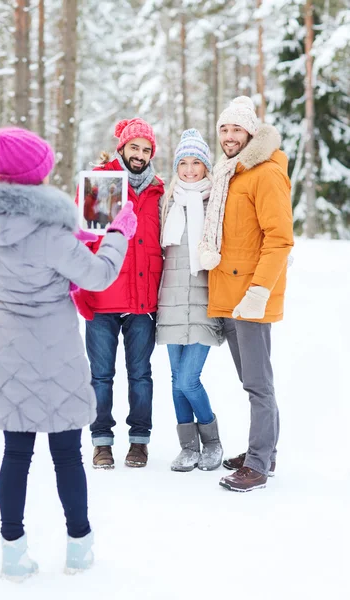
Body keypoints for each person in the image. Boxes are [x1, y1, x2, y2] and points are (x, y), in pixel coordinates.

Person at [0, 127, 137, 581]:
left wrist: (69, 245)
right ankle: (79, 547)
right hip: (55, 352)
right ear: (35, 174)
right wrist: (117, 231)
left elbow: (27, 262)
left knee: (15, 453)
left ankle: (12, 553)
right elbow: (98, 275)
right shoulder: (51, 232)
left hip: (7, 346)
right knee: (66, 453)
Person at [198, 96, 294, 492]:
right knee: (252, 380)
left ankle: (257, 463)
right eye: (224, 128)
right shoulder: (229, 173)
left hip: (250, 296)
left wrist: (258, 290)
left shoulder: (265, 173)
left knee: (258, 383)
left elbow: (280, 239)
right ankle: (264, 452)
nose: (229, 135)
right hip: (231, 293)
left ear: (251, 132)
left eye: (237, 128)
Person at [72, 118, 165, 469]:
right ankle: (101, 442)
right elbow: (84, 238)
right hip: (103, 295)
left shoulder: (158, 190)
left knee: (141, 375)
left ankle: (139, 442)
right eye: (134, 147)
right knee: (100, 375)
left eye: (146, 149)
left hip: (142, 299)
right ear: (122, 147)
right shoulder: (101, 182)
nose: (139, 154)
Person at [157, 129, 225, 472]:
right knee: (174, 380)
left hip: (204, 301)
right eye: (182, 163)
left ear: (205, 166)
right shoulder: (167, 202)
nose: (188, 169)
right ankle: (188, 447)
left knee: (188, 379)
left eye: (195, 162)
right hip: (169, 302)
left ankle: (212, 442)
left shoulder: (216, 201)